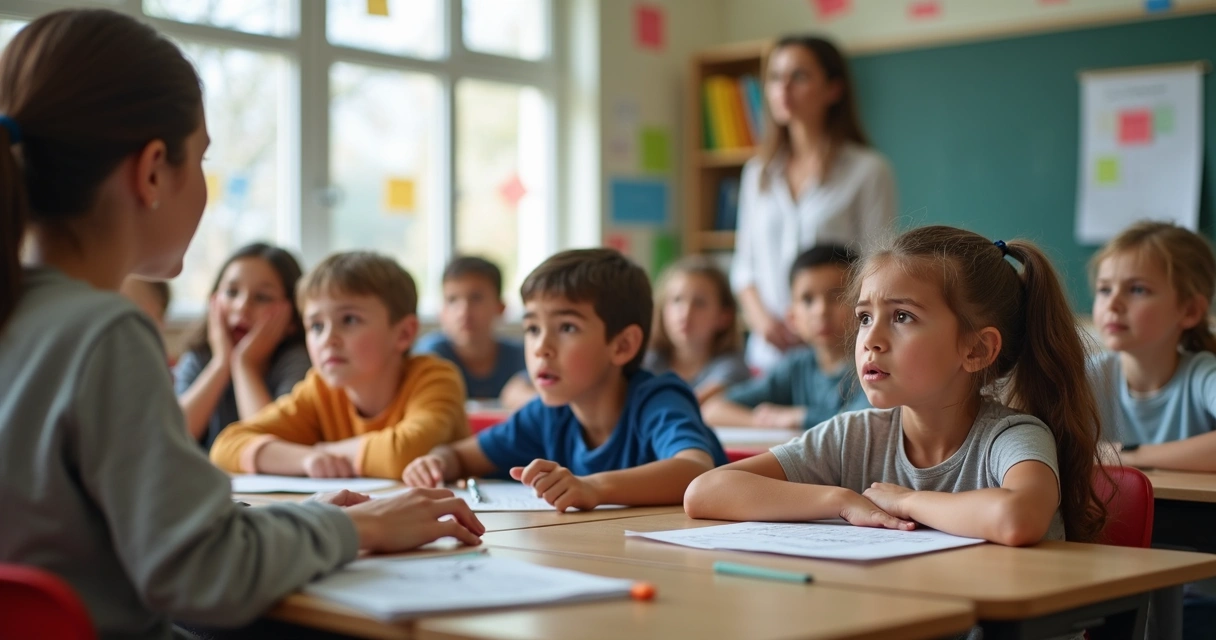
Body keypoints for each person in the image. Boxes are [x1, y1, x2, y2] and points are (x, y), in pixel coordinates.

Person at [0, 11, 482, 638]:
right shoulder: (103, 334)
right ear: (151, 172)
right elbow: (203, 573)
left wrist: (305, 516)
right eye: (201, 157)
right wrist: (360, 525)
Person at [687, 226, 1106, 553]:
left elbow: (1017, 517)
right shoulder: (854, 436)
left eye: (902, 317)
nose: (871, 339)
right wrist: (839, 500)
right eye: (865, 317)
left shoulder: (1012, 437)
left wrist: (907, 502)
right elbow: (705, 492)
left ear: (977, 349)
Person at [402, 249, 728, 512]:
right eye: (532, 329)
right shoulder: (549, 412)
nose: (541, 348)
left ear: (623, 345)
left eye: (567, 328)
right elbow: (460, 456)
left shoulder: (658, 399)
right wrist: (435, 463)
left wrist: (594, 487)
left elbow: (694, 470)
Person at [210, 251, 469, 480]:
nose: (327, 340)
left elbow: (406, 453)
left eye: (349, 320)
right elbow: (227, 446)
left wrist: (325, 451)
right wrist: (306, 459)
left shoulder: (435, 378)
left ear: (403, 334)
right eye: (316, 326)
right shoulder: (319, 390)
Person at [731, 35, 897, 371]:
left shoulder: (867, 170)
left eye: (799, 76)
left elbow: (878, 266)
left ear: (833, 89)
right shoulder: (758, 173)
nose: (784, 88)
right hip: (771, 351)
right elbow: (744, 266)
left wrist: (825, 323)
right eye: (776, 77)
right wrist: (763, 322)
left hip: (838, 353)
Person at [703, 245, 868, 429]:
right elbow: (714, 410)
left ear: (864, 305)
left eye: (837, 296)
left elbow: (865, 420)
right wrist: (768, 421)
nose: (821, 311)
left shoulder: (872, 365)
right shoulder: (796, 367)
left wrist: (799, 417)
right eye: (807, 300)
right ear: (792, 317)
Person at [175, 242, 310, 450]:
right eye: (231, 292)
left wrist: (244, 365)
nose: (242, 306)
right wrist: (220, 364)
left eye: (262, 297)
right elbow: (173, 436)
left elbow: (274, 446)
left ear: (292, 315)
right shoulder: (198, 357)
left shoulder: (297, 362)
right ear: (214, 301)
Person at [645, 255, 749, 403]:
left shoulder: (732, 368)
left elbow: (689, 404)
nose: (685, 313)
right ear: (662, 309)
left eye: (700, 303)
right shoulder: (647, 362)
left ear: (724, 316)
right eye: (677, 300)